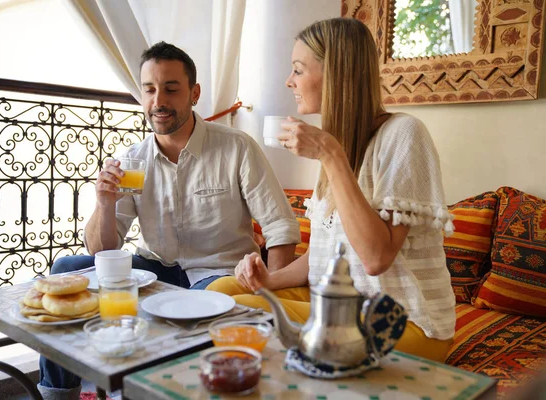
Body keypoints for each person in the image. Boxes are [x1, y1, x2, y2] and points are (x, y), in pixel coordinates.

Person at [37, 41, 301, 399]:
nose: (158, 100)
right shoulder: (134, 160)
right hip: (154, 268)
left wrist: (274, 297)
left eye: (171, 89)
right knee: (69, 267)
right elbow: (105, 249)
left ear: (194, 93)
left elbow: (280, 227)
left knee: (192, 306)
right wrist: (105, 204)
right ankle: (57, 393)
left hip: (217, 274)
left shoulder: (236, 148)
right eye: (149, 89)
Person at [207, 18, 457, 363]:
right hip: (336, 305)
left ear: (337, 74)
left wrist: (330, 154)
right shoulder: (338, 147)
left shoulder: (404, 134)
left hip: (399, 323)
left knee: (236, 309)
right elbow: (325, 254)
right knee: (221, 290)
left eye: (298, 70)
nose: (288, 81)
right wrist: (271, 279)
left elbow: (375, 258)